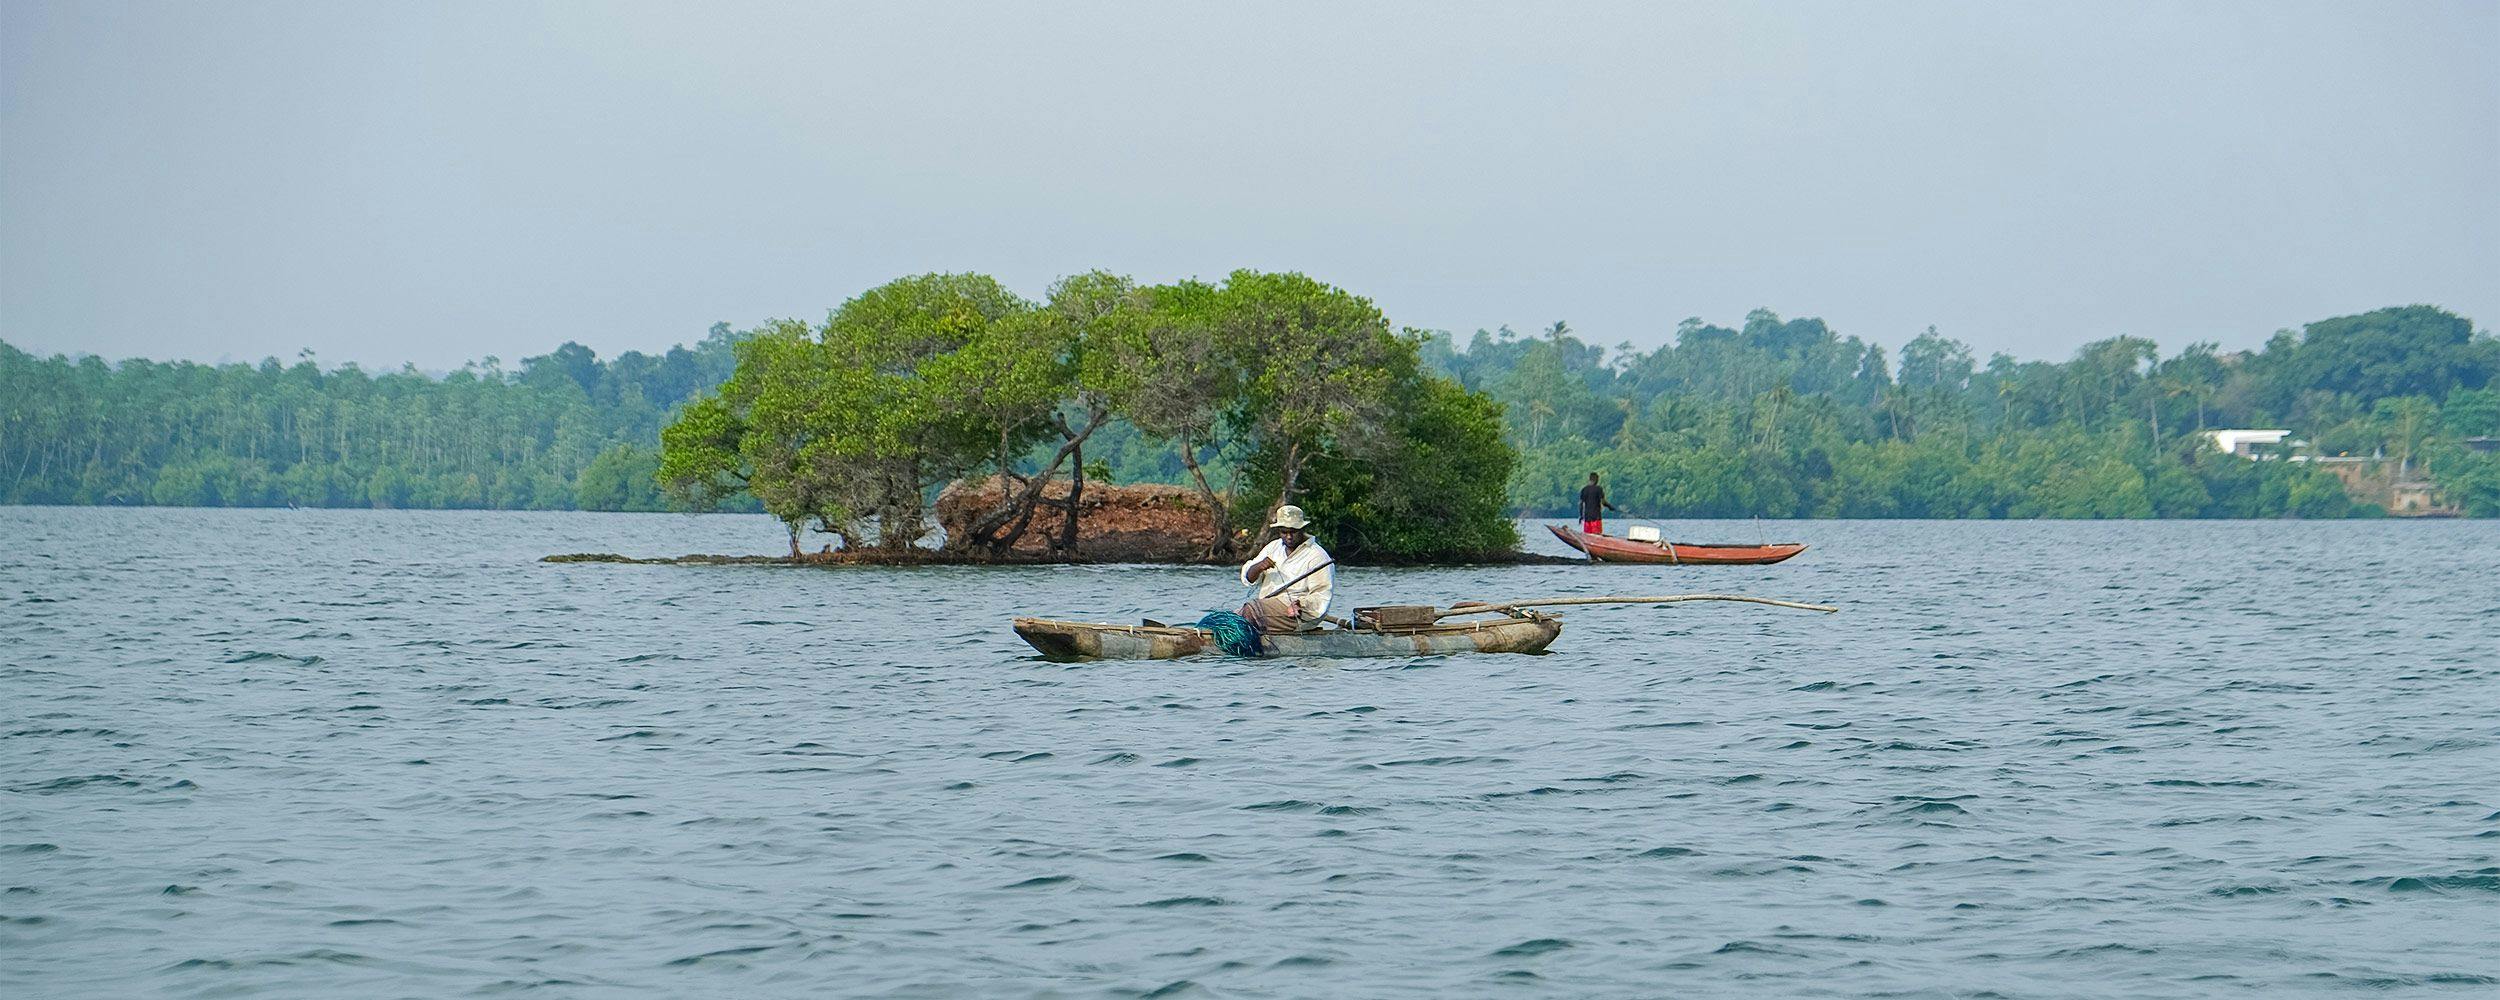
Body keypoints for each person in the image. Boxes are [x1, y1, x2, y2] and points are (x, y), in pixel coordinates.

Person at [1237, 505, 1332, 633]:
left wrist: (1300, 604)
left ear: (1302, 529)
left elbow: (1322, 596)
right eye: (1284, 532)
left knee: (1250, 611)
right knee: (1229, 619)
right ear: (1278, 531)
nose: (1288, 537)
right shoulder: (1273, 548)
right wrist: (1258, 567)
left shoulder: (1317, 556)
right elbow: (1248, 578)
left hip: (1297, 615)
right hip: (1265, 608)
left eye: (1293, 531)